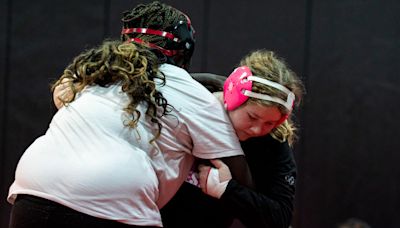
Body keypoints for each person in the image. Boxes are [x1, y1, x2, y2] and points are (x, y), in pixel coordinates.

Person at [7, 2, 253, 227]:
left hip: (33, 186)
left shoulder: (93, 71)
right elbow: (238, 173)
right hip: (111, 200)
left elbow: (61, 97)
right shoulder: (190, 90)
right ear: (183, 50)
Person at [161, 50, 305, 228]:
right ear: (233, 96)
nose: (258, 129)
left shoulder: (273, 141)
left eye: (270, 122)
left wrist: (229, 190)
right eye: (252, 117)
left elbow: (279, 219)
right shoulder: (181, 99)